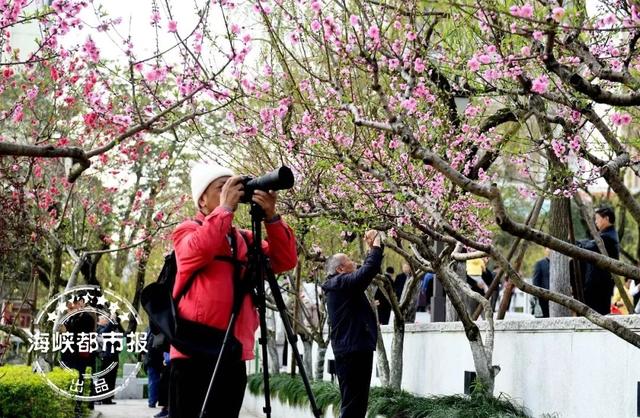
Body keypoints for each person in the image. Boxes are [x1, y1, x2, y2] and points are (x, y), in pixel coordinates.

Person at [169, 162, 298, 418]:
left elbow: (284, 261)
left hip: (231, 351)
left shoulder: (245, 239)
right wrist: (225, 208)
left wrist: (272, 218)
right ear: (202, 200)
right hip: (194, 351)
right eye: (222, 187)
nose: (232, 192)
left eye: (234, 186)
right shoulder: (186, 230)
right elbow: (198, 250)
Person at [322, 230, 383, 418]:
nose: (353, 263)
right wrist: (376, 247)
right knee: (353, 405)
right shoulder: (340, 283)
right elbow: (367, 272)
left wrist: (371, 250)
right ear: (340, 269)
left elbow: (364, 272)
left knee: (357, 403)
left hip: (354, 348)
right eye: (349, 261)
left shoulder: (340, 285)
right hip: (352, 350)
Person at [578, 206, 620, 315]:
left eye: (597, 218)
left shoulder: (608, 237)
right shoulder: (606, 235)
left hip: (599, 286)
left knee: (597, 316)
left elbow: (591, 245)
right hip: (597, 285)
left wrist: (576, 242)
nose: (595, 221)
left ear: (606, 218)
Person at [531, 248, 551, 318]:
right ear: (545, 250)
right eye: (549, 248)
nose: (550, 250)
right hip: (544, 297)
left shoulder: (559, 264)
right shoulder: (540, 264)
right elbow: (535, 281)